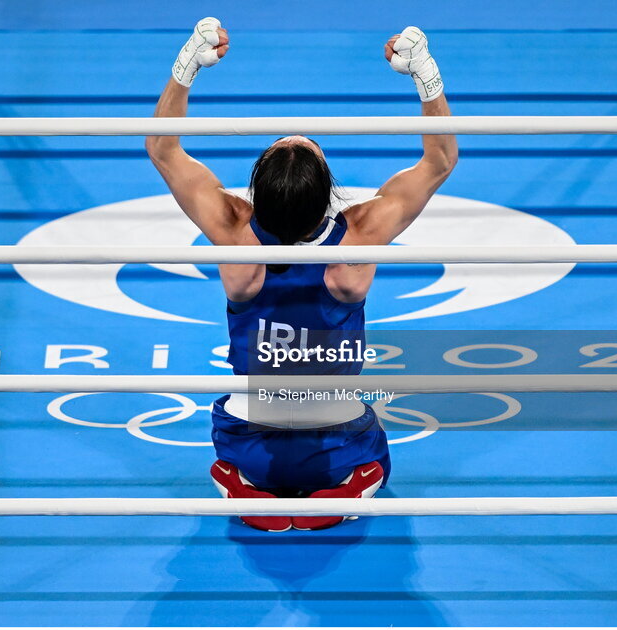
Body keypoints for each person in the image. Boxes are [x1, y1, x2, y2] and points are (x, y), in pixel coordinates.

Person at [146, 18, 457, 531]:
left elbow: (162, 148)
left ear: (253, 196)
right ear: (329, 196)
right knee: (373, 450)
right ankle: (346, 488)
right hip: (335, 444)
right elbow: (440, 159)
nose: (295, 136)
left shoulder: (233, 233)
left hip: (248, 443)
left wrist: (187, 68)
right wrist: (425, 76)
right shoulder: (359, 238)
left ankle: (243, 487)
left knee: (236, 436)